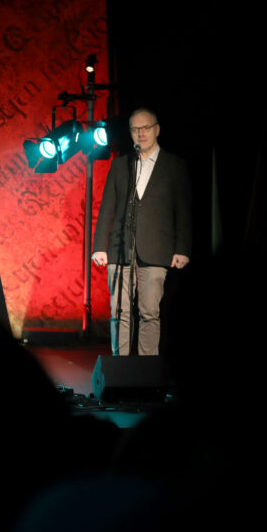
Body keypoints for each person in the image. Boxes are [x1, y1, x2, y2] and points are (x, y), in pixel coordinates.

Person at [92, 109, 191, 355]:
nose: (141, 133)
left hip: (157, 249)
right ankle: (121, 369)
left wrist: (182, 248)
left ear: (157, 129)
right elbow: (107, 207)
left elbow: (183, 209)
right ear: (130, 133)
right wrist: (99, 246)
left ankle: (147, 373)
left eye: (146, 127)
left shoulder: (174, 166)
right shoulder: (120, 165)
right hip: (119, 251)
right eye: (136, 129)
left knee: (150, 313)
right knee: (119, 313)